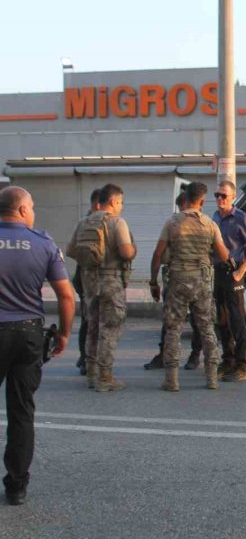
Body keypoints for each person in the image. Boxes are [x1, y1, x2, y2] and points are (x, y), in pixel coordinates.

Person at [0, 187, 75, 506]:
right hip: (27, 334)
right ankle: (16, 486)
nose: (33, 211)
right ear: (21, 210)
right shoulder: (43, 243)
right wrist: (64, 334)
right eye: (31, 206)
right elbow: (66, 295)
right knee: (21, 412)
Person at [150, 182, 232, 390]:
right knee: (207, 328)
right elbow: (224, 255)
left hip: (177, 280)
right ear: (202, 201)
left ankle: (171, 380)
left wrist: (153, 282)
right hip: (202, 282)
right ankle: (212, 378)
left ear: (185, 199)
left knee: (173, 329)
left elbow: (158, 254)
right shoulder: (210, 224)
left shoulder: (172, 223)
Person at [66, 183, 136, 392]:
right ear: (113, 201)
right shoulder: (117, 222)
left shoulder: (83, 222)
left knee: (92, 327)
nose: (121, 206)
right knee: (110, 328)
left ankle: (91, 374)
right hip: (111, 281)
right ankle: (105, 377)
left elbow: (70, 250)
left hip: (89, 282)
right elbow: (126, 253)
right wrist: (132, 250)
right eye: (120, 202)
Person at [143, 191, 203, 371]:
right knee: (185, 320)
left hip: (184, 277)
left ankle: (188, 357)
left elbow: (158, 253)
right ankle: (176, 356)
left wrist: (153, 282)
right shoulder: (203, 223)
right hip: (187, 277)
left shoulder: (179, 223)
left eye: (181, 206)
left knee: (184, 320)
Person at [213, 181, 246, 382]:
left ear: (232, 197)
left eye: (224, 195)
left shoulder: (241, 218)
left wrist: (240, 272)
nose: (220, 199)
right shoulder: (215, 217)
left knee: (237, 319)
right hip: (218, 272)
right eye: (217, 195)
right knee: (222, 319)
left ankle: (241, 365)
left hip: (233, 272)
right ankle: (228, 360)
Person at [72, 188, 102, 375]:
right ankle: (88, 359)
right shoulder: (94, 224)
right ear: (98, 205)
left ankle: (86, 358)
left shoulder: (83, 223)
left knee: (88, 320)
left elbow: (71, 250)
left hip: (84, 279)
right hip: (91, 280)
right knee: (92, 321)